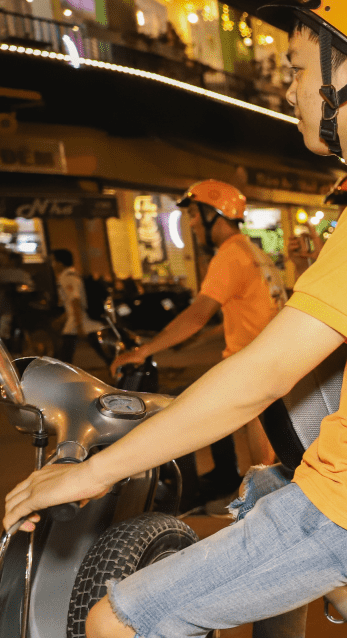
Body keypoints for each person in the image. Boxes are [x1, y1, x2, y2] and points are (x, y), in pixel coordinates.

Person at [2, 3, 347, 638]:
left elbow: (261, 375)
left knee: (117, 622)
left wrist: (91, 472)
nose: (288, 89)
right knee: (260, 483)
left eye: (297, 70)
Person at [110, 179, 285, 501]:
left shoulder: (229, 254)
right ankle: (226, 482)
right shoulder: (253, 250)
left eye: (193, 216)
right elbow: (246, 311)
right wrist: (197, 339)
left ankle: (258, 509)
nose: (191, 224)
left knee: (259, 461)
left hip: (252, 368)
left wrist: (143, 350)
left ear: (213, 214)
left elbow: (197, 313)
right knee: (244, 440)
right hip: (268, 361)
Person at [50, 249, 106, 364]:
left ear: (60, 263)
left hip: (80, 320)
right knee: (99, 349)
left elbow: (75, 300)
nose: (52, 265)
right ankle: (117, 368)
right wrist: (63, 319)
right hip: (83, 320)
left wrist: (79, 325)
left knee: (65, 353)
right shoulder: (75, 274)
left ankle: (63, 376)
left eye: (53, 261)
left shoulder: (67, 277)